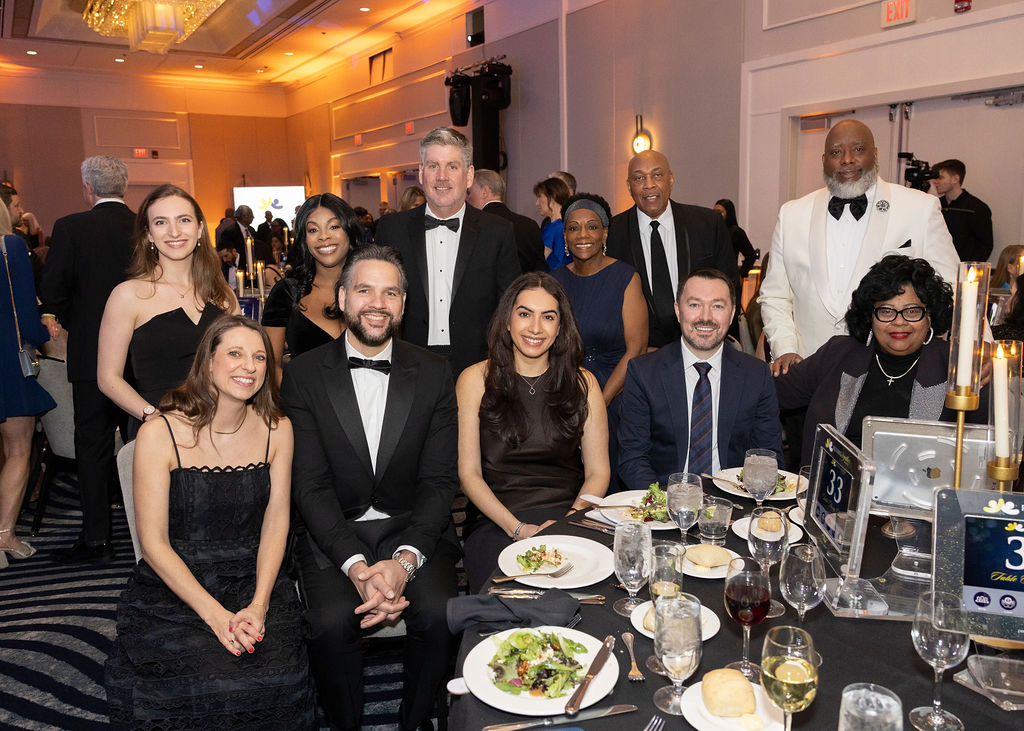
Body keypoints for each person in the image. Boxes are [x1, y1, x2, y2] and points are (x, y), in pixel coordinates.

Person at [104, 315, 316, 729]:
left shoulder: (278, 430)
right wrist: (217, 616)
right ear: (208, 362)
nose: (249, 366)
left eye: (259, 357)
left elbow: (276, 524)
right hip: (178, 584)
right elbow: (154, 543)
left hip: (254, 577)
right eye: (235, 353)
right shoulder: (160, 432)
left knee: (280, 676)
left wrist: (259, 605)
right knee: (210, 681)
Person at [281, 245, 459, 731]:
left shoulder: (434, 372)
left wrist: (405, 562)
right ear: (342, 298)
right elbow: (310, 486)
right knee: (330, 621)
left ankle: (414, 720)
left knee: (439, 612)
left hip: (413, 526)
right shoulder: (302, 375)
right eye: (364, 290)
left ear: (403, 305)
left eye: (390, 293)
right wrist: (357, 567)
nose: (377, 303)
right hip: (334, 533)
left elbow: (439, 480)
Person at [759, 120, 960, 376]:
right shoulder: (792, 214)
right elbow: (775, 296)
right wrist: (785, 348)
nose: (846, 159)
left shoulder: (919, 208)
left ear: (874, 154)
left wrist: (979, 346)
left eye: (858, 149)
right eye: (835, 152)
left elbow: (956, 287)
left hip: (890, 375)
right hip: (809, 372)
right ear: (823, 160)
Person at [456, 272, 610, 591]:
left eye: (548, 317)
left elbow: (598, 473)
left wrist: (568, 521)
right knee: (509, 602)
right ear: (507, 321)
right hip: (496, 519)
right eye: (525, 314)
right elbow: (469, 474)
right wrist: (517, 529)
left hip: (569, 515)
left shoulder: (584, 383)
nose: (536, 328)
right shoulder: (474, 380)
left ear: (560, 327)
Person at [773, 255, 968, 465]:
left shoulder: (956, 366)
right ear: (870, 316)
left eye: (912, 311)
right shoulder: (838, 354)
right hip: (833, 484)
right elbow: (767, 391)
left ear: (929, 316)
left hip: (918, 485)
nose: (899, 322)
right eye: (886, 311)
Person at [43, 155, 136, 565]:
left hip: (92, 357)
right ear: (124, 187)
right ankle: (153, 535)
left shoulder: (71, 227)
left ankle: (98, 540)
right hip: (141, 357)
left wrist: (75, 321)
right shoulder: (146, 226)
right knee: (146, 445)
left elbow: (54, 290)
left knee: (93, 448)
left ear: (87, 188)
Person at [618, 269, 784, 491]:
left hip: (734, 500)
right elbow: (632, 458)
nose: (705, 317)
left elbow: (768, 458)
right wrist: (665, 501)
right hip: (665, 499)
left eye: (717, 306)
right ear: (678, 311)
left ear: (732, 314)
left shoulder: (756, 375)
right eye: (695, 305)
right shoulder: (644, 373)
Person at [375, 126, 520, 375]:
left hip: (479, 367)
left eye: (452, 166)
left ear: (469, 175)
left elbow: (509, 305)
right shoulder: (392, 229)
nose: (442, 177)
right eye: (433, 166)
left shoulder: (498, 232)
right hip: (407, 364)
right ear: (421, 173)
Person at [98, 185, 239, 441]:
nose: (174, 231)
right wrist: (154, 417)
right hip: (159, 433)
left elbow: (240, 362)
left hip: (222, 427)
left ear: (199, 229)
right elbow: (108, 378)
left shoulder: (222, 294)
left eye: (183, 220)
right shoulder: (128, 295)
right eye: (161, 222)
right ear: (149, 234)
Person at [607, 150, 737, 349]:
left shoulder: (708, 224)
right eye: (639, 178)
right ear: (629, 186)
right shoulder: (613, 233)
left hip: (703, 346)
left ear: (671, 179)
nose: (649, 184)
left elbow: (730, 287)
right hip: (641, 354)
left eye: (657, 175)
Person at [550, 193, 647, 404]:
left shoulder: (626, 278)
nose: (582, 235)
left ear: (604, 233)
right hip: (564, 392)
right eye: (573, 228)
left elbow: (637, 349)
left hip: (616, 393)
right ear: (565, 236)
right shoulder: (553, 282)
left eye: (592, 227)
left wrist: (600, 402)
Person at [0, 200, 54, 568]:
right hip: (6, 357)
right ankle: (4, 534)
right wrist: (41, 334)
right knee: (19, 449)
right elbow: (25, 310)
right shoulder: (11, 246)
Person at [261, 193, 360, 377]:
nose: (324, 236)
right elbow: (271, 367)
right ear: (304, 239)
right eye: (313, 230)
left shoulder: (372, 289)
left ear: (349, 230)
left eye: (333, 226)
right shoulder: (287, 292)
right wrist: (296, 395)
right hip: (303, 394)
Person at [467, 168, 547, 273]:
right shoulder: (530, 224)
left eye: (469, 192)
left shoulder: (475, 226)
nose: (466, 198)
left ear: (485, 192)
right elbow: (541, 269)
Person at [933, 159, 993, 262]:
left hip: (964, 268)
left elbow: (985, 245)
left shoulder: (976, 208)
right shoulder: (935, 205)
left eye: (941, 177)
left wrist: (969, 267)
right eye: (935, 178)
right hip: (937, 265)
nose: (935, 181)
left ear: (955, 179)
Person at [714, 198, 757, 279]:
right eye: (714, 211)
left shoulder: (735, 232)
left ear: (728, 213)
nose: (716, 214)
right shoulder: (713, 231)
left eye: (720, 212)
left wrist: (742, 274)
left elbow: (751, 255)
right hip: (714, 277)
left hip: (729, 277)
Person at [534, 176, 572, 269]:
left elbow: (541, 262)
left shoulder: (552, 228)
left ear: (551, 198)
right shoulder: (570, 224)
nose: (537, 203)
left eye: (539, 197)